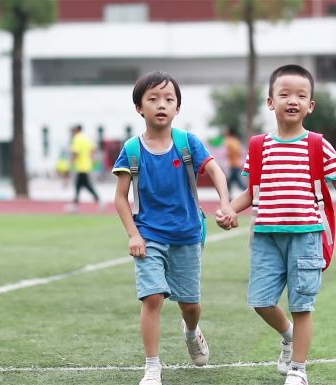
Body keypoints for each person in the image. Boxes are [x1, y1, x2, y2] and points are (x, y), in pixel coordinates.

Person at [216, 64, 336, 385]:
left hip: (306, 237)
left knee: (302, 305)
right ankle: (288, 336)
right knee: (261, 302)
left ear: (310, 105)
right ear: (270, 102)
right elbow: (253, 193)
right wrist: (230, 210)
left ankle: (298, 369)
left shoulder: (318, 145)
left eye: (300, 95)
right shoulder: (258, 147)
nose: (292, 100)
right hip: (266, 238)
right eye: (284, 94)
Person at [112, 71, 237, 385]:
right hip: (149, 235)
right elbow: (120, 198)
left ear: (178, 108)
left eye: (169, 99)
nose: (161, 105)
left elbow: (215, 171)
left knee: (190, 305)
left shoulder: (187, 143)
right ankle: (152, 367)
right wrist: (134, 234)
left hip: (187, 234)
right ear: (139, 108)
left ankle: (191, 331)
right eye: (152, 99)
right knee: (152, 298)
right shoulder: (132, 149)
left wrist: (225, 202)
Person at [68, 124, 100, 211]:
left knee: (82, 185)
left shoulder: (77, 138)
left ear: (77, 130)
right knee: (81, 185)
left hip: (80, 166)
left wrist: (71, 163)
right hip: (87, 165)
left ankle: (98, 200)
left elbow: (75, 152)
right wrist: (92, 159)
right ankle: (75, 204)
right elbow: (93, 149)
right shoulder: (87, 138)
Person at [223, 124, 246, 199]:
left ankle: (250, 194)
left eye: (226, 130)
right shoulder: (236, 140)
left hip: (233, 165)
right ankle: (228, 198)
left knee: (236, 183)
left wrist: (229, 154)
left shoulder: (229, 141)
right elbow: (239, 152)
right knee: (231, 182)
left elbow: (230, 152)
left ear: (229, 132)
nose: (225, 131)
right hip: (236, 164)